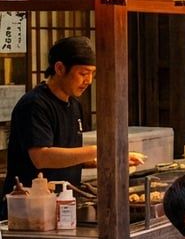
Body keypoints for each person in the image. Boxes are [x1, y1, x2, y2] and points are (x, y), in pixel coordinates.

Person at [3, 36, 142, 209]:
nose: (89, 80)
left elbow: (68, 155)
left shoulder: (74, 105)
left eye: (92, 74)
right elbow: (41, 157)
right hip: (28, 207)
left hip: (63, 203)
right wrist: (97, 150)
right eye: (83, 73)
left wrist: (110, 158)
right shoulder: (35, 104)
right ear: (60, 68)